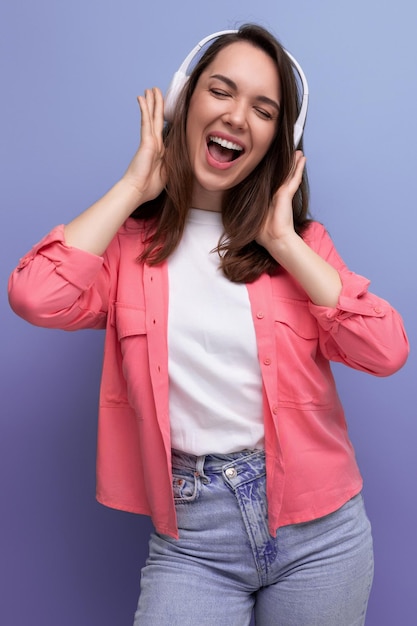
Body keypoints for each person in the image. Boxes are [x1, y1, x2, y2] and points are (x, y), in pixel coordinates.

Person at [8, 23, 409, 626]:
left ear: (279, 137)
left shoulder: (303, 247)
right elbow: (34, 296)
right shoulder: (125, 250)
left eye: (263, 109)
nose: (238, 117)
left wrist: (282, 241)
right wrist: (133, 185)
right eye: (221, 91)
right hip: (194, 536)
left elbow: (386, 350)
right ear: (185, 101)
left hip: (321, 534)